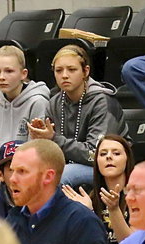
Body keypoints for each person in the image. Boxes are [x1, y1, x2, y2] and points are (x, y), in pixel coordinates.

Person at [29, 45, 123, 189]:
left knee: (62, 176)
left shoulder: (102, 101)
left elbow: (94, 154)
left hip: (105, 166)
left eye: (72, 70)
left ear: (86, 71)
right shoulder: (54, 102)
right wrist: (40, 139)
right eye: (59, 70)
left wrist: (53, 139)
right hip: (68, 164)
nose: (64, 75)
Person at [63, 133, 136, 244]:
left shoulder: (138, 197)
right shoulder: (90, 198)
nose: (109, 157)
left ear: (127, 159)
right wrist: (87, 214)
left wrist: (114, 209)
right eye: (103, 154)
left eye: (116, 153)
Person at [0, 45, 50, 146]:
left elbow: (37, 148)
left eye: (9, 71)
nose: (1, 77)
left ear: (23, 74)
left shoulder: (38, 102)